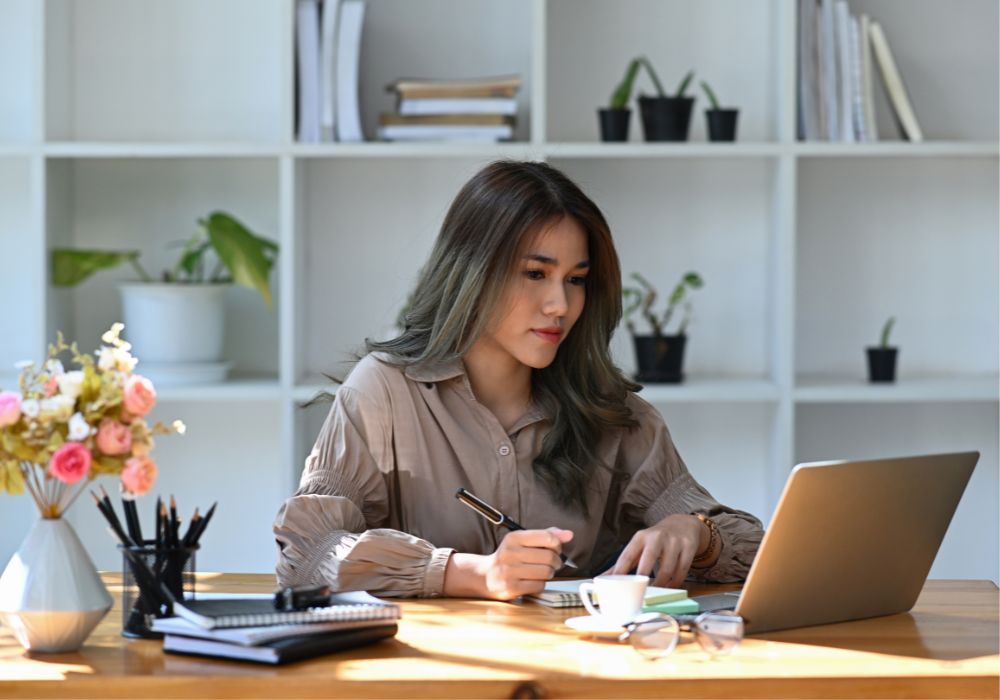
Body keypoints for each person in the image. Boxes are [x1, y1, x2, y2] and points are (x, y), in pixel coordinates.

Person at [273, 160, 763, 600]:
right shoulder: (384, 393)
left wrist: (695, 531)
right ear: (473, 272)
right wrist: (469, 573)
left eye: (575, 279)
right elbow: (308, 554)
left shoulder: (611, 410)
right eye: (535, 273)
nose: (561, 305)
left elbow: (756, 549)